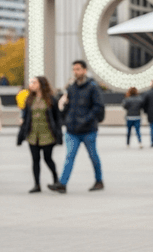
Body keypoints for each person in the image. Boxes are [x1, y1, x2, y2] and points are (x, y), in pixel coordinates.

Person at [48, 60, 105, 193]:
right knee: (69, 156)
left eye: (78, 69)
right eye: (74, 69)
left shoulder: (92, 87)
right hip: (72, 130)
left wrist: (85, 120)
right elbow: (68, 106)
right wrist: (64, 118)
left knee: (93, 155)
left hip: (88, 130)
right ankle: (62, 184)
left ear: (85, 70)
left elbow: (98, 107)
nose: (75, 72)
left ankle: (99, 180)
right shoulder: (71, 87)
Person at [17, 76, 62, 192]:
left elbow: (57, 118)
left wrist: (58, 134)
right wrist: (21, 134)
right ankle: (37, 184)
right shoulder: (29, 99)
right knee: (35, 160)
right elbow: (26, 117)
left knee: (48, 159)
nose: (32, 84)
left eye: (34, 82)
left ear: (41, 84)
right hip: (33, 135)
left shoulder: (51, 99)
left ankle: (56, 179)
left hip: (47, 134)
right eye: (31, 82)